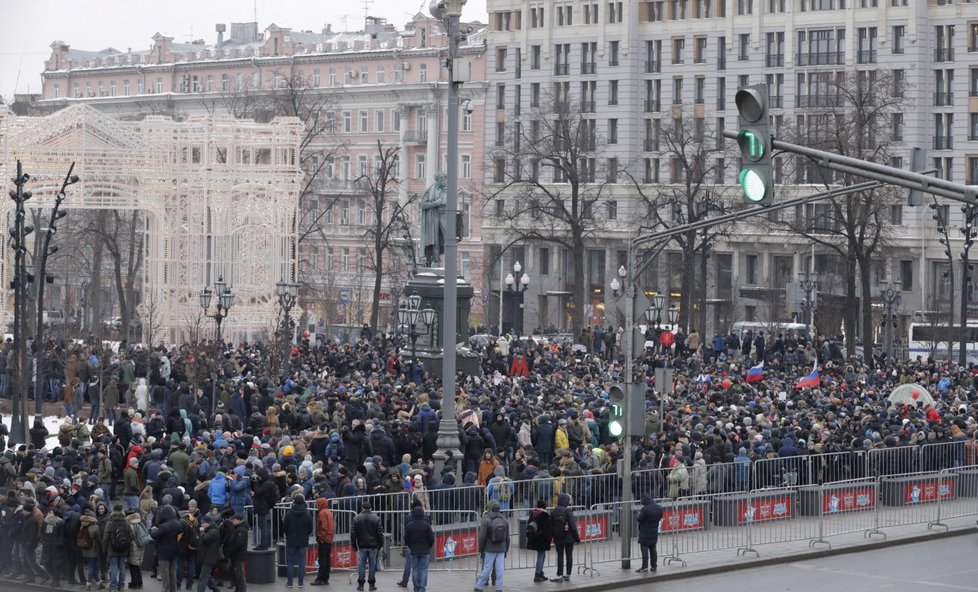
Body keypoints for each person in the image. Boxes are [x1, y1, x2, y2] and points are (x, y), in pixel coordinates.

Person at [474, 500, 509, 592]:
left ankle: (479, 586)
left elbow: (482, 537)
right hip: (501, 548)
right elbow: (507, 538)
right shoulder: (504, 520)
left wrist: (481, 549)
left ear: (490, 509)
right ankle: (499, 588)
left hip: (489, 548)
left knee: (487, 568)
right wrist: (506, 550)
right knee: (500, 569)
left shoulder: (486, 520)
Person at [351, 500, 384, 592]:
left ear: (362, 508)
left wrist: (354, 544)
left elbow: (353, 533)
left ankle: (361, 584)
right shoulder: (376, 518)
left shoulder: (357, 518)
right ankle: (371, 584)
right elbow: (380, 533)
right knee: (372, 565)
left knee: (361, 565)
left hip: (361, 545)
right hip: (373, 546)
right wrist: (381, 544)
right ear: (371, 508)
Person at [283, 493, 313, 589]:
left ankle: (290, 583)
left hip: (291, 540)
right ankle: (300, 583)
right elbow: (310, 529)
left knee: (290, 562)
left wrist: (288, 535)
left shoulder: (289, 514)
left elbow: (285, 528)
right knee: (301, 562)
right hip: (303, 540)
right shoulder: (307, 514)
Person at [402, 505, 434, 592]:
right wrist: (428, 546)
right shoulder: (427, 525)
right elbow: (431, 539)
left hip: (414, 550)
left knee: (415, 569)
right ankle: (422, 588)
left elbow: (406, 538)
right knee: (423, 570)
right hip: (425, 550)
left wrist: (411, 546)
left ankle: (416, 587)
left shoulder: (409, 525)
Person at [550, 493, 580, 582]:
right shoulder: (568, 511)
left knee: (560, 556)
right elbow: (573, 526)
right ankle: (568, 574)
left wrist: (553, 536)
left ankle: (559, 575)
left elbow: (550, 525)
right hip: (569, 538)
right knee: (569, 555)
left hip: (558, 538)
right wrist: (577, 538)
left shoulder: (554, 511)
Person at [151, 505, 181, 592]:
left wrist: (152, 530)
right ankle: (173, 590)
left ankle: (165, 590)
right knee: (172, 573)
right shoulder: (178, 524)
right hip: (174, 551)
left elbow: (155, 536)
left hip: (163, 553)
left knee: (165, 574)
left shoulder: (163, 526)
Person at [104, 504, 131, 592]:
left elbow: (105, 537)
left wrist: (104, 549)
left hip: (112, 549)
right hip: (124, 548)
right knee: (122, 567)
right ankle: (121, 586)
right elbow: (132, 535)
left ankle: (113, 586)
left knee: (114, 567)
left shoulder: (110, 522)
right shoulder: (126, 522)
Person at [636, 495, 664, 574]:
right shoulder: (659, 508)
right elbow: (660, 517)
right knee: (653, 549)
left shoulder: (644, 509)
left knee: (644, 549)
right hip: (654, 531)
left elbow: (639, 519)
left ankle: (644, 567)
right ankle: (654, 566)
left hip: (644, 532)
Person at [526, 499, 551, 582]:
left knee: (542, 555)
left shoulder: (533, 513)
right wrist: (549, 539)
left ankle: (540, 572)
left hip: (534, 539)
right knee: (541, 556)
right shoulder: (544, 515)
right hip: (542, 540)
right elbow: (547, 529)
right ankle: (537, 574)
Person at [195, 515, 222, 592]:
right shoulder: (209, 530)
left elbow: (206, 539)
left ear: (208, 523)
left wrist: (202, 531)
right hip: (205, 557)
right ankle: (216, 590)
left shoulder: (214, 531)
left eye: (203, 523)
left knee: (203, 578)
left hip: (209, 558)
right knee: (207, 576)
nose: (201, 524)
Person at [79, 508, 104, 591]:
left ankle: (99, 583)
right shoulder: (95, 527)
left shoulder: (82, 526)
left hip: (85, 549)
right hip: (94, 550)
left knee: (92, 566)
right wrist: (102, 549)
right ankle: (88, 583)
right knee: (92, 567)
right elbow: (99, 540)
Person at [311, 497, 334, 586]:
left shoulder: (322, 513)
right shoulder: (329, 512)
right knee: (327, 559)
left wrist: (320, 537)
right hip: (329, 538)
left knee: (323, 560)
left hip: (324, 539)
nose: (316, 506)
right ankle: (325, 578)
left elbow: (323, 526)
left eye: (317, 504)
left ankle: (320, 579)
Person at [225, 514, 250, 592]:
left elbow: (239, 544)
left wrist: (231, 550)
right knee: (230, 569)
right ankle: (237, 586)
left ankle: (242, 589)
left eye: (234, 520)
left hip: (238, 555)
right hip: (234, 555)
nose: (232, 521)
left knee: (239, 573)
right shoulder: (237, 528)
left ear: (238, 520)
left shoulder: (241, 530)